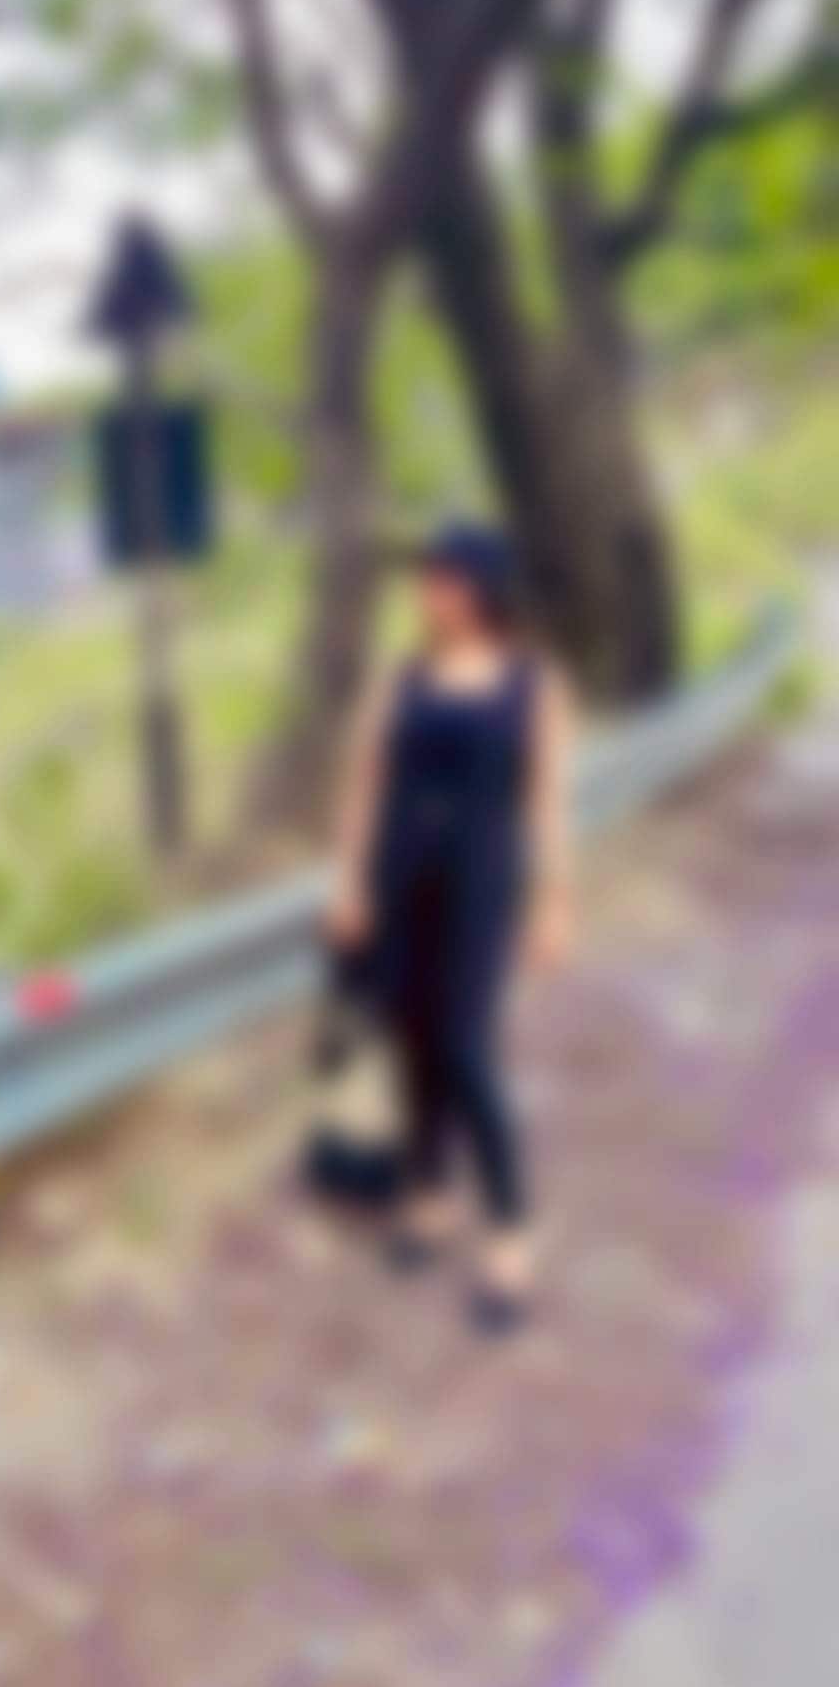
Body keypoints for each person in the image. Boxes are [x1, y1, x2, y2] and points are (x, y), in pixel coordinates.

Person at [326, 523, 575, 1331]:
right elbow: (364, 786)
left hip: (481, 885)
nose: (429, 592)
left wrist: (553, 900)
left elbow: (546, 802)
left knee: (466, 1048)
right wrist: (350, 882)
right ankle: (429, 1195)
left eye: (445, 578)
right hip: (399, 879)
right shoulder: (399, 678)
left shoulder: (533, 682)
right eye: (425, 578)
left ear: (483, 588)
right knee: (412, 1041)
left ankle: (511, 1231)